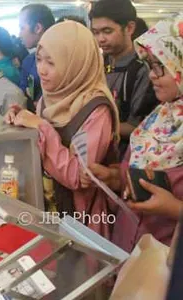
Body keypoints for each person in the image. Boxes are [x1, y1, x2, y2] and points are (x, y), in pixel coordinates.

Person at [5, 21, 120, 239]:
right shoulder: (50, 98)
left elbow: (78, 176)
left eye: (51, 62)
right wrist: (20, 118)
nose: (41, 69)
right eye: (39, 59)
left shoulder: (96, 110)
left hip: (82, 219)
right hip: (48, 207)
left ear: (76, 64)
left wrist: (40, 126)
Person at [81, 15, 183, 252]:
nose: (152, 75)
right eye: (150, 65)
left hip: (168, 257)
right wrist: (112, 177)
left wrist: (174, 209)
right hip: (131, 244)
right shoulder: (161, 115)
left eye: (162, 67)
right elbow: (136, 172)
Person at [90, 0, 159, 157]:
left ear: (129, 28)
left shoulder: (143, 69)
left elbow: (138, 127)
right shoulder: (98, 64)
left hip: (125, 160)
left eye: (107, 31)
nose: (100, 39)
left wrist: (95, 127)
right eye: (95, 32)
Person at [18, 4, 55, 110]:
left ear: (37, 28)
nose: (19, 34)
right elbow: (23, 94)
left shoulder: (66, 60)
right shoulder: (28, 61)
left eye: (22, 28)